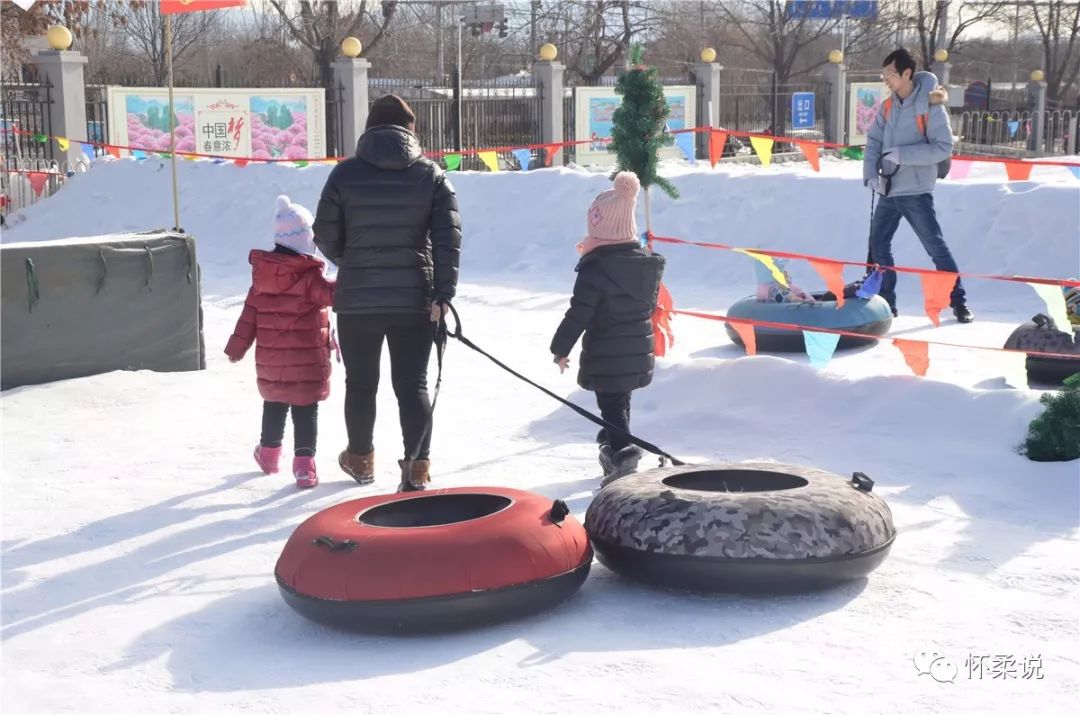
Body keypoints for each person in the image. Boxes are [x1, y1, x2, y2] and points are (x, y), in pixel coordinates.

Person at [313, 94, 461, 492]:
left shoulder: (344, 175)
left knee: (360, 383)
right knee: (413, 384)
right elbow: (448, 240)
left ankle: (360, 460)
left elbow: (324, 233)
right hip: (415, 298)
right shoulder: (430, 176)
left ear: (369, 129)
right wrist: (442, 293)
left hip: (358, 299)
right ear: (410, 130)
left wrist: (353, 259)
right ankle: (416, 468)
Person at [550, 171, 665, 484]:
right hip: (636, 352)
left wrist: (560, 348)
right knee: (619, 403)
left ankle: (623, 459)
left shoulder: (596, 269)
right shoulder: (645, 265)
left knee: (612, 408)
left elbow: (579, 314)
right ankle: (615, 447)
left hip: (607, 353)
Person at [226, 195, 336, 489]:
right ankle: (304, 466)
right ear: (306, 241)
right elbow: (334, 295)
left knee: (274, 405)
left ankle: (269, 455)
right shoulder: (311, 278)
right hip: (308, 364)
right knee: (305, 410)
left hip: (272, 364)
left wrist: (236, 347)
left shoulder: (262, 278)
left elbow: (248, 317)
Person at [864, 48, 974, 323]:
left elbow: (943, 147)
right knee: (878, 245)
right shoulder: (888, 106)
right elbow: (874, 141)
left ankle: (958, 302)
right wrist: (870, 174)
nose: (885, 79)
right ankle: (887, 303)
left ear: (906, 73)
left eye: (890, 74)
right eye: (884, 74)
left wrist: (904, 154)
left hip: (915, 190)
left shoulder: (931, 105)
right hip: (889, 189)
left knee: (935, 248)